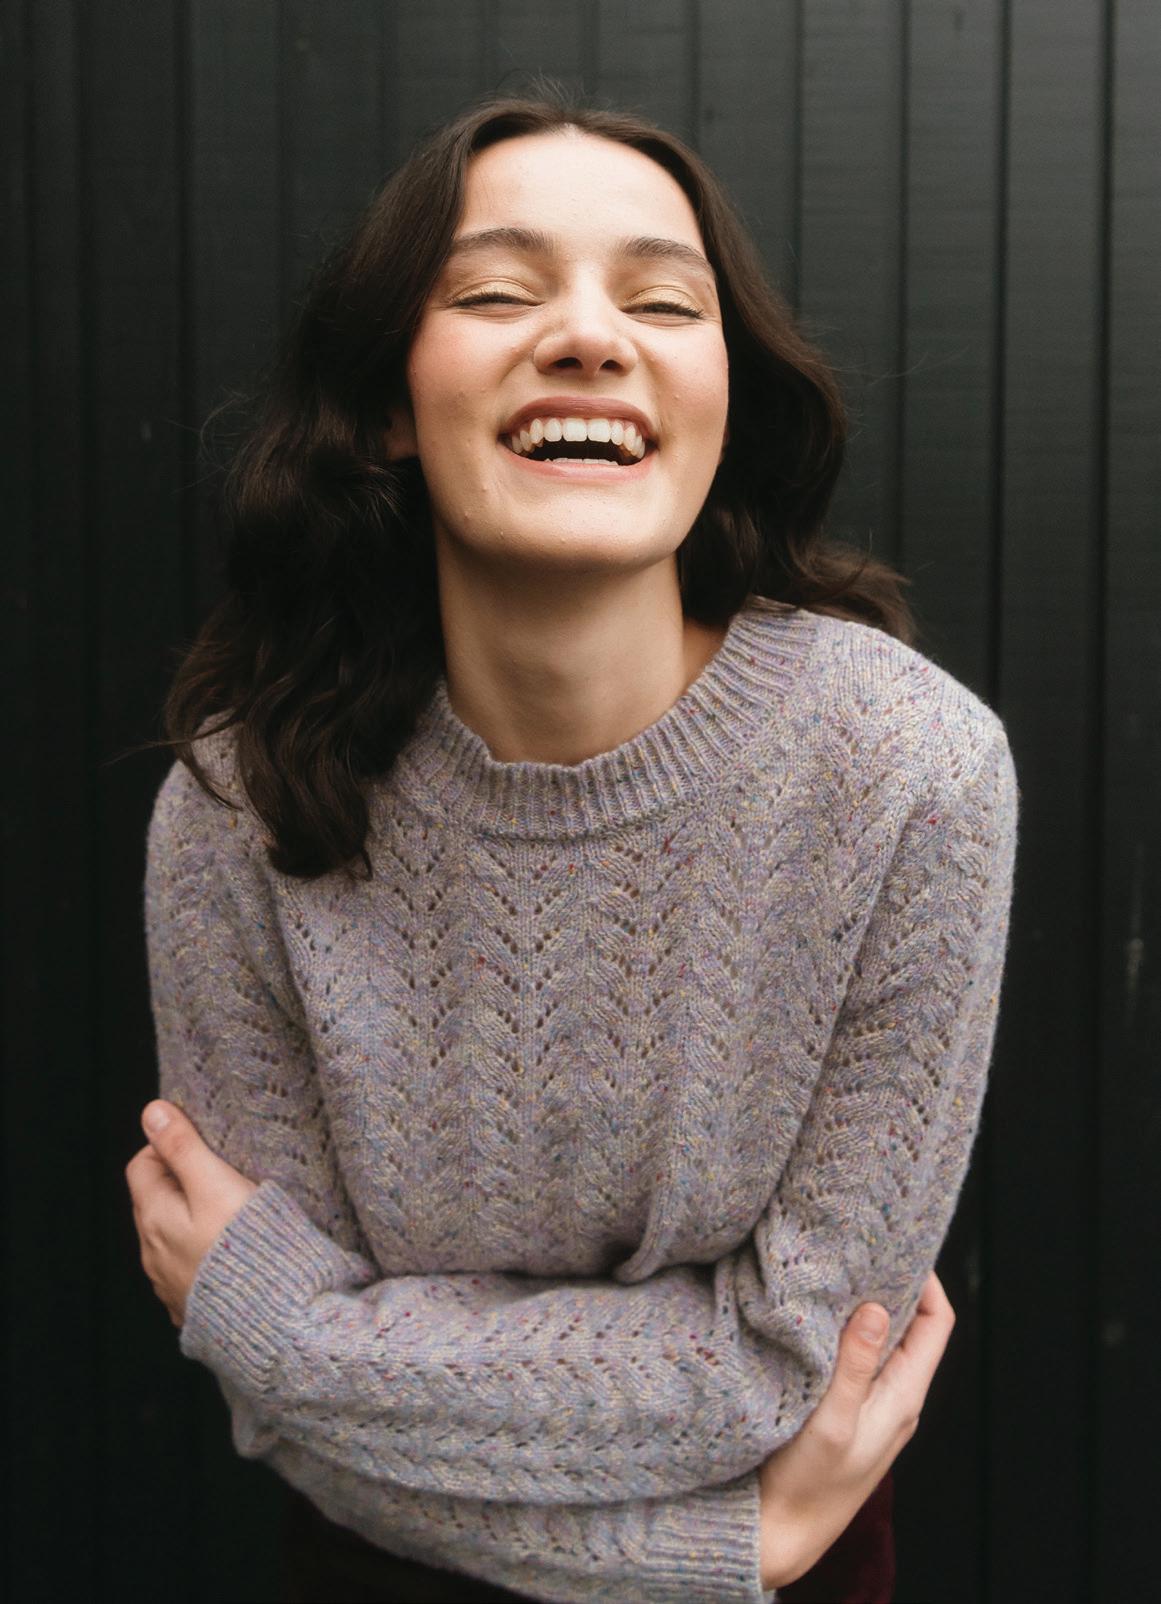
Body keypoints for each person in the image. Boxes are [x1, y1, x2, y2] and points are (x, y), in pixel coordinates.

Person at [126, 81, 1018, 1603]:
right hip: (415, 1570)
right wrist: (721, 1544)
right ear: (390, 406)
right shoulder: (240, 804)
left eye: (663, 303)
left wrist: (281, 1324)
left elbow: (787, 1360)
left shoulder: (909, 773)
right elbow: (288, 1426)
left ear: (721, 398)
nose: (592, 336)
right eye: (494, 292)